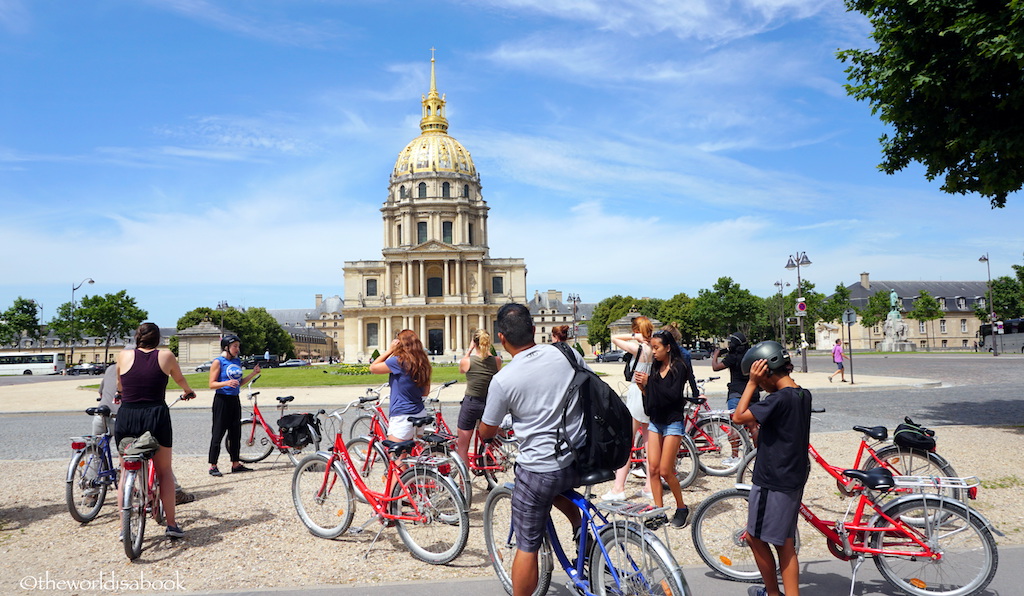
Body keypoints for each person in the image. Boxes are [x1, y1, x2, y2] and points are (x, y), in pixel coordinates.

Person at [478, 303, 585, 596]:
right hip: (584, 457)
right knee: (556, 489)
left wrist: (488, 430)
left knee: (527, 544)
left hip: (542, 468)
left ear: (502, 338)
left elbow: (487, 430)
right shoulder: (568, 353)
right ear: (535, 330)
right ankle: (581, 531)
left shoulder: (503, 380)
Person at [731, 341, 812, 596]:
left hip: (773, 479)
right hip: (793, 476)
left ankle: (773, 593)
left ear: (765, 371)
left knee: (755, 538)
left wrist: (752, 383)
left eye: (759, 378)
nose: (761, 387)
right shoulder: (801, 394)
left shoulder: (778, 399)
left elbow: (738, 416)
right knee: (785, 543)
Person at [115, 322, 196, 539]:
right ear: (158, 339)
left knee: (125, 471)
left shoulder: (123, 356)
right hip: (155, 416)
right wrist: (188, 391)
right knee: (164, 471)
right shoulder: (166, 356)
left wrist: (121, 393)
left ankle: (123, 527)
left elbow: (120, 385)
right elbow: (179, 380)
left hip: (127, 416)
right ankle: (171, 524)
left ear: (137, 338)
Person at [99, 363, 195, 504]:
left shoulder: (112, 368)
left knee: (102, 455)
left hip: (104, 415)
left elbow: (102, 392)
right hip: (131, 416)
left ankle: (92, 493)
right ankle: (174, 494)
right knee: (160, 463)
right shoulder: (145, 366)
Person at [634, 329, 691, 528]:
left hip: (673, 422)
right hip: (656, 421)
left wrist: (650, 384)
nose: (654, 352)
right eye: (652, 347)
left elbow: (673, 396)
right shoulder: (654, 369)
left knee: (667, 470)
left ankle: (682, 507)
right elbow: (650, 404)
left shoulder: (679, 367)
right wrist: (643, 389)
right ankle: (659, 511)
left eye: (656, 347)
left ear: (668, 348)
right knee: (653, 469)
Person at [603, 316, 655, 501]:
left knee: (626, 442)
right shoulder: (654, 348)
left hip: (636, 393)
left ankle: (619, 488)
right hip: (649, 393)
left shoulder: (639, 348)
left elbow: (614, 339)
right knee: (650, 445)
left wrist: (634, 336)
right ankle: (649, 486)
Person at [208, 334, 260, 476]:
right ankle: (213, 465)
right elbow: (211, 384)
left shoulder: (236, 361)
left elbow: (240, 382)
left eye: (238, 346)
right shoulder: (218, 362)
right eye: (235, 346)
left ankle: (235, 464)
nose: (238, 349)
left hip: (234, 399)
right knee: (218, 433)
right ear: (226, 347)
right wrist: (225, 383)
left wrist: (253, 374)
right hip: (221, 400)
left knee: (235, 433)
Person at [369, 329, 432, 441]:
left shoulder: (398, 361)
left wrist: (389, 350)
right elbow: (426, 391)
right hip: (420, 412)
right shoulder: (423, 362)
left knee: (396, 456)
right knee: (414, 454)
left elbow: (373, 367)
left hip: (402, 414)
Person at [456, 329, 502, 467]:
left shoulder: (467, 361)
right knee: (490, 441)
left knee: (462, 447)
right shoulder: (497, 361)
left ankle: (465, 481)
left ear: (473, 343)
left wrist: (469, 350)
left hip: (471, 404)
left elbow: (461, 368)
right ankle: (490, 471)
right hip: (489, 404)